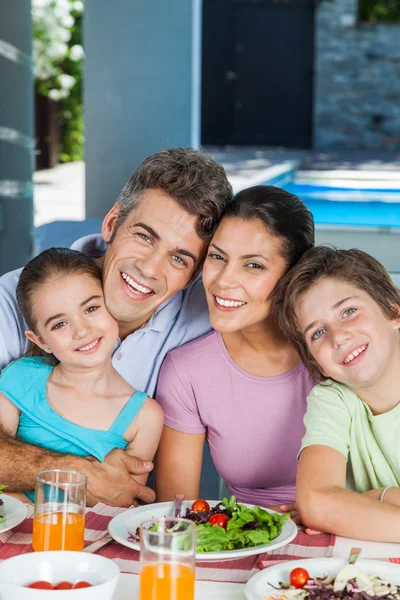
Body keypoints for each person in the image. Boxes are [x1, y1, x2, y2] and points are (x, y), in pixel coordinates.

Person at [0, 147, 233, 506]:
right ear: (111, 223)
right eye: (144, 236)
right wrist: (78, 475)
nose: (151, 269)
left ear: (193, 276)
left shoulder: (207, 319)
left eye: (179, 258)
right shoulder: (10, 300)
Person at [155, 185, 315, 517]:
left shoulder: (333, 352)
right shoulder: (188, 371)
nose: (224, 281)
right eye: (217, 257)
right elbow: (175, 514)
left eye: (253, 265)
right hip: (247, 541)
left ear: (294, 274)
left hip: (355, 536)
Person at [0, 247, 163, 502]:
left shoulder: (145, 416)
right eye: (60, 324)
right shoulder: (19, 379)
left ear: (111, 305)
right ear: (41, 340)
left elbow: (121, 501)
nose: (82, 330)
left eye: (91, 308)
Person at [272, 246, 400, 542]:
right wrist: (387, 496)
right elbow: (316, 504)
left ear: (392, 311)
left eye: (349, 311)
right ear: (317, 362)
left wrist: (380, 497)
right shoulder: (331, 399)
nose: (338, 336)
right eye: (317, 333)